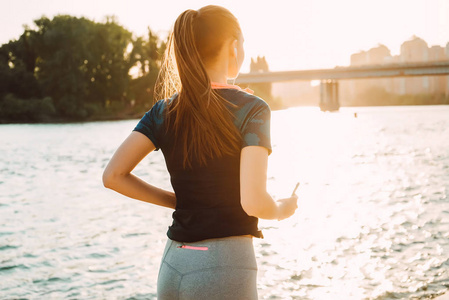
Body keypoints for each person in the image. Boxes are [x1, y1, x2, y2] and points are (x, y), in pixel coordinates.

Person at [102, 5, 298, 299]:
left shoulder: (163, 111)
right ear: (233, 47)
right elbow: (254, 202)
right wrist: (283, 210)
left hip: (174, 263)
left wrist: (179, 202)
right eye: (243, 44)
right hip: (223, 266)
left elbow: (114, 176)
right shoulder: (252, 109)